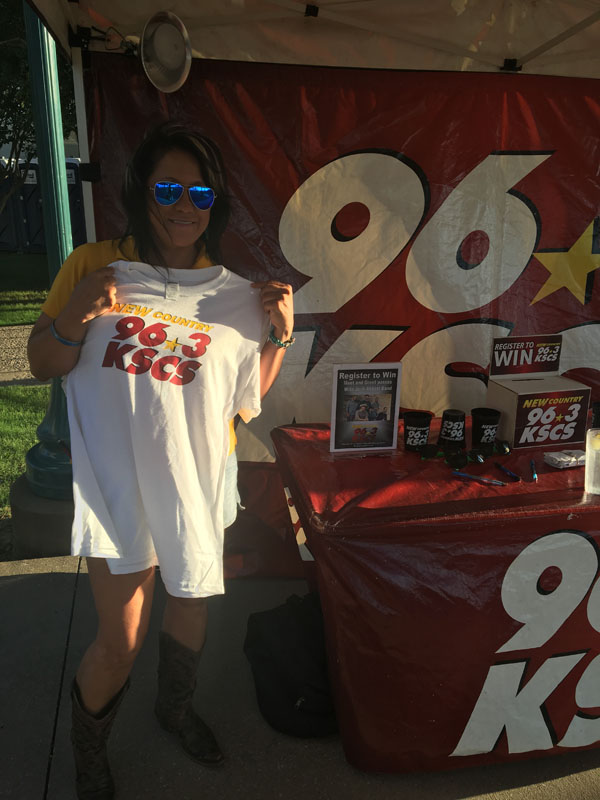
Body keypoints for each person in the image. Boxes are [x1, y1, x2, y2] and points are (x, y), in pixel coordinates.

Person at [27, 122, 294, 800]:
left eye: (199, 193)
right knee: (119, 640)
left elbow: (243, 402)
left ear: (215, 203)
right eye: (168, 188)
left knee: (190, 607)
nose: (183, 206)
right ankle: (89, 753)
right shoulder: (94, 268)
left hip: (197, 482)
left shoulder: (239, 296)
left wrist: (279, 339)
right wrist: (76, 316)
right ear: (141, 191)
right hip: (118, 487)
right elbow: (42, 363)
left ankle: (174, 710)